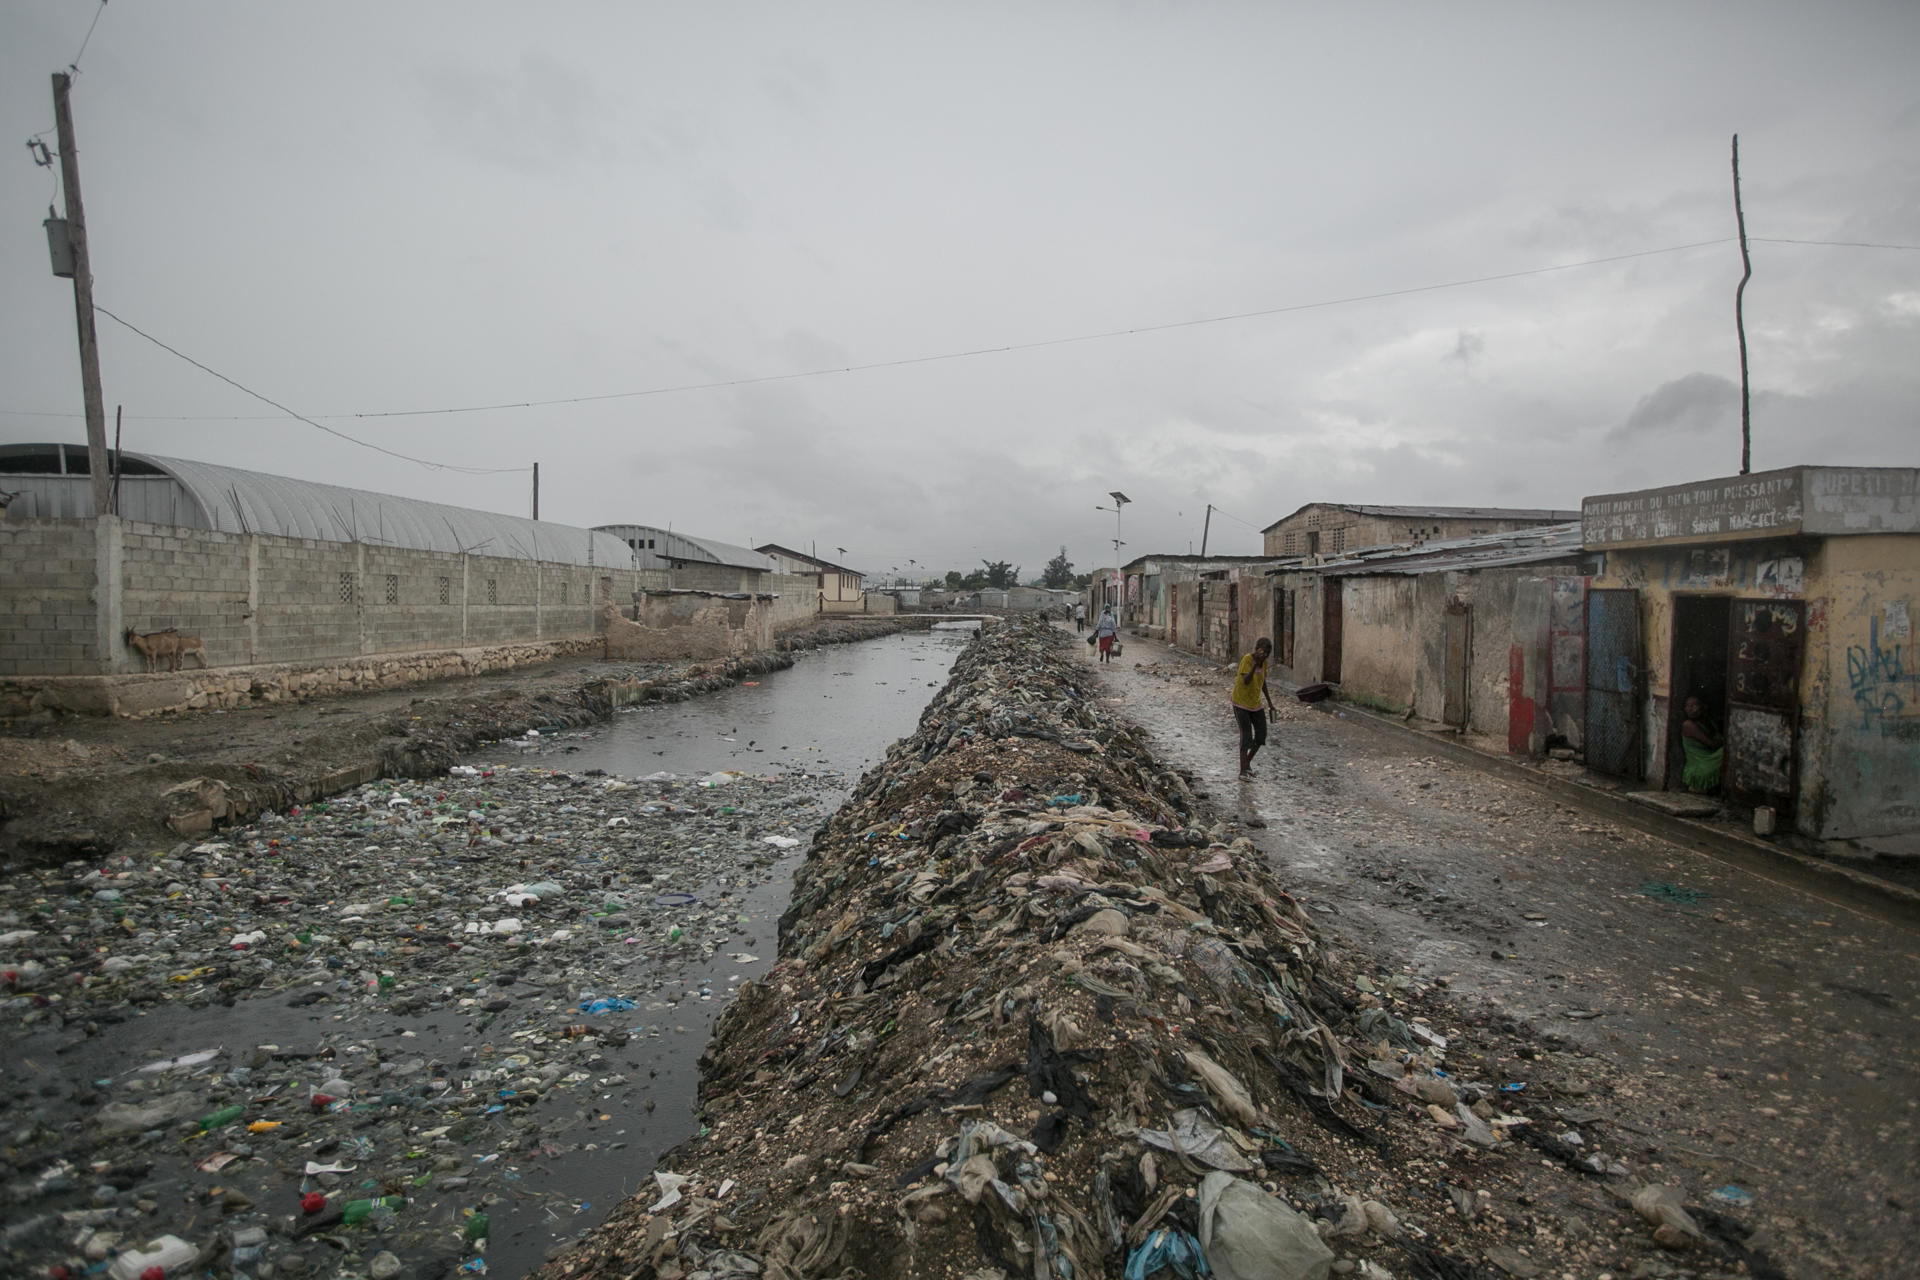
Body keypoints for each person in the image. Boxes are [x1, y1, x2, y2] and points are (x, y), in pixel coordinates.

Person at [1232, 637, 1279, 777]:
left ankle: (1246, 764)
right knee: (1246, 736)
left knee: (1261, 735)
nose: (1265, 655)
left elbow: (1263, 682)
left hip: (1255, 703)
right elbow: (1246, 680)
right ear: (1257, 649)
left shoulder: (1264, 663)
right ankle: (1243, 771)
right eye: (1263, 651)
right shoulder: (1247, 659)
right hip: (1240, 702)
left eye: (1268, 653)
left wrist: (1270, 702)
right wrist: (1255, 664)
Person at [1680, 694, 1724, 794]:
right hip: (1700, 766)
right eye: (1687, 706)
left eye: (1694, 705)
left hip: (1709, 761)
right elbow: (1711, 744)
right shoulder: (1688, 725)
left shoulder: (1708, 722)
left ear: (1703, 706)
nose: (1689, 709)